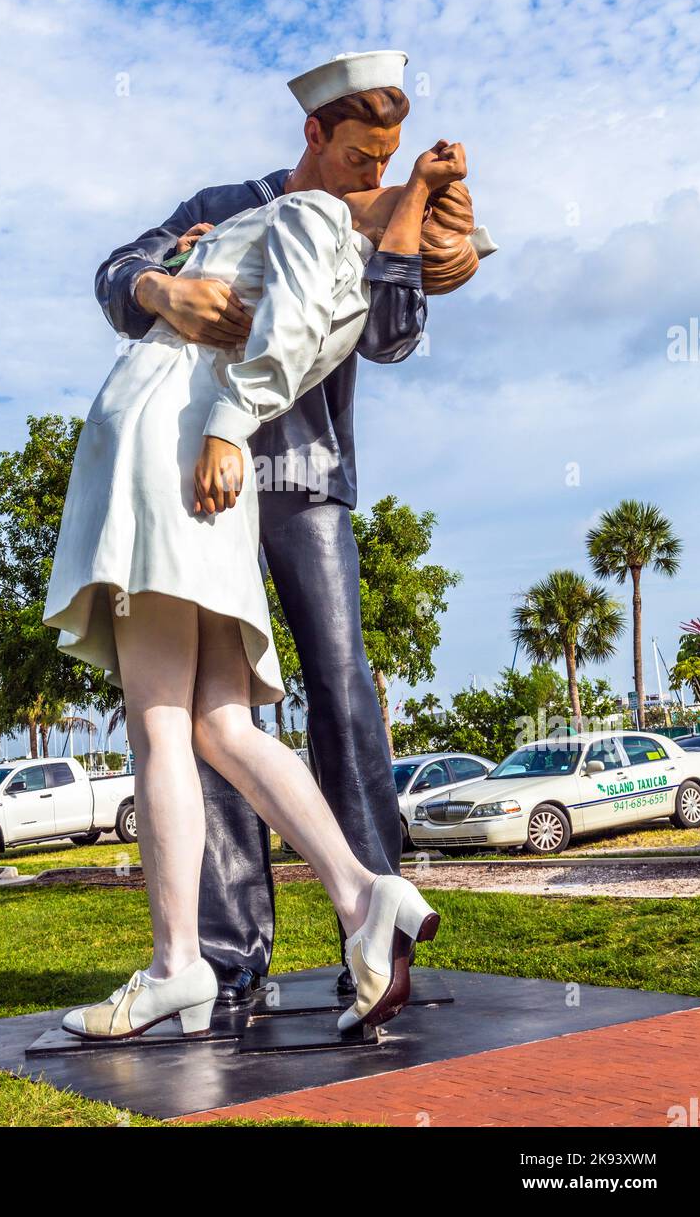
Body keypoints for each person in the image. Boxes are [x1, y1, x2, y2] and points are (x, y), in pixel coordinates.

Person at [45, 126, 475, 1039]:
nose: (378, 170)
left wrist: (420, 247)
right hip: (209, 459)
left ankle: (241, 944)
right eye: (366, 154)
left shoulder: (351, 228)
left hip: (262, 467)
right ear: (318, 132)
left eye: (390, 159)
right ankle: (241, 944)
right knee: (213, 725)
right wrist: (161, 284)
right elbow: (121, 271)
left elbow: (391, 336)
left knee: (325, 689)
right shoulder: (227, 205)